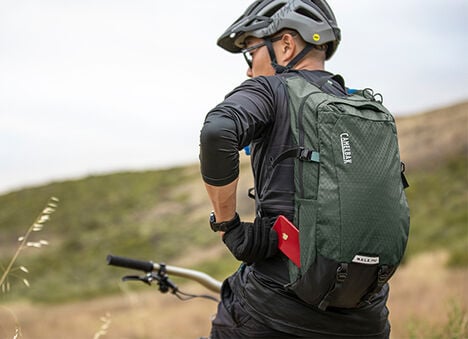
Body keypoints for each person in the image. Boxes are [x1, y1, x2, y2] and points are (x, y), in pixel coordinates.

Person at [199, 0, 391, 338]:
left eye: (251, 51)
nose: (248, 68)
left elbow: (218, 131)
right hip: (365, 317)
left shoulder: (271, 90)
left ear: (285, 45)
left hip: (274, 311)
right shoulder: (365, 106)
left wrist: (229, 225)